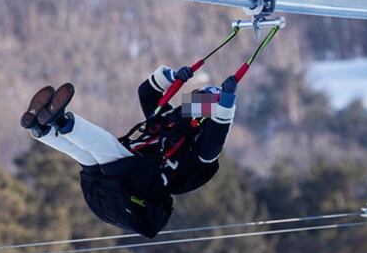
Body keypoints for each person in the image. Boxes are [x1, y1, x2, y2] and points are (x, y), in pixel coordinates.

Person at [20, 65, 237, 238]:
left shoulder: (199, 151)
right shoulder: (166, 118)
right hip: (112, 190)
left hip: (139, 191)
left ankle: (61, 121)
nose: (196, 101)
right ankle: (42, 130)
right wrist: (171, 77)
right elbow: (147, 92)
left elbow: (215, 139)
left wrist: (226, 103)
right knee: (88, 157)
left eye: (204, 101)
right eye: (198, 96)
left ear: (207, 117)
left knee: (104, 147)